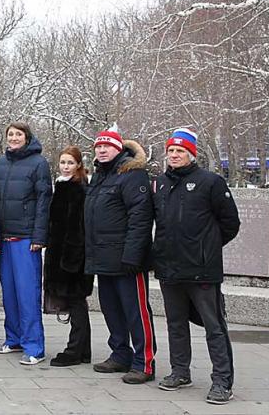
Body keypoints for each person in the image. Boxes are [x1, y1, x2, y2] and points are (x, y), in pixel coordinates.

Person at [152, 129, 241, 405]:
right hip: (170, 268)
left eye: (181, 151)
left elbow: (230, 223)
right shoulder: (160, 184)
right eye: (171, 151)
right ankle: (180, 371)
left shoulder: (211, 182)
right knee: (176, 323)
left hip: (202, 269)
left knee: (214, 327)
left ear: (192, 154)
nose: (175, 155)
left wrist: (207, 247)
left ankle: (222, 381)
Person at [84, 128, 157, 384]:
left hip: (126, 260)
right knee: (111, 309)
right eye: (98, 147)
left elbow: (140, 218)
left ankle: (144, 361)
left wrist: (133, 256)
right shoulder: (100, 176)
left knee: (136, 311)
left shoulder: (132, 174)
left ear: (119, 149)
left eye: (108, 146)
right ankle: (120, 353)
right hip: (103, 257)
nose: (102, 150)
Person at [0, 122, 52, 365]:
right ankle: (13, 338)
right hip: (4, 238)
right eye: (10, 134)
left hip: (26, 239)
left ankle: (34, 346)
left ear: (27, 137)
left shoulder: (39, 164)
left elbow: (44, 201)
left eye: (18, 134)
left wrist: (39, 237)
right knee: (10, 294)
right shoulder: (0, 163)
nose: (14, 138)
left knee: (27, 294)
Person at [44, 146, 95, 367]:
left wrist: (70, 261)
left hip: (72, 256)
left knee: (76, 304)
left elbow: (77, 227)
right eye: (63, 162)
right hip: (62, 253)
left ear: (78, 165)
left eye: (70, 163)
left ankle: (74, 350)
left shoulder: (77, 189)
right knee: (77, 304)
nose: (65, 167)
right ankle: (83, 350)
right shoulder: (62, 185)